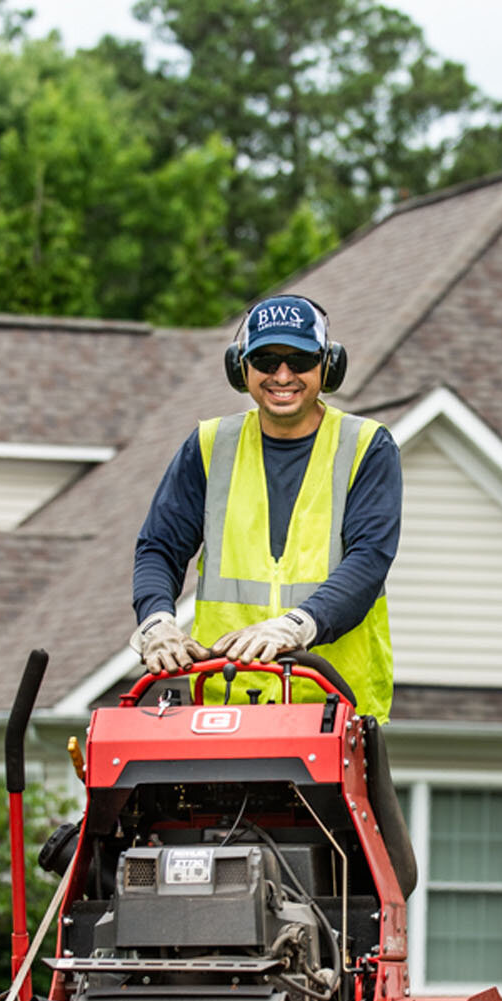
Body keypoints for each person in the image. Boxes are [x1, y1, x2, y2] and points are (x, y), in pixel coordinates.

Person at [131, 295, 402, 719]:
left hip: (334, 707)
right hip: (226, 705)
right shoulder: (208, 447)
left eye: (299, 360)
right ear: (242, 368)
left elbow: (369, 560)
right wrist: (156, 623)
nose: (282, 374)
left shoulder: (367, 446)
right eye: (266, 359)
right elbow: (159, 548)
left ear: (327, 366)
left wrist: (295, 626)